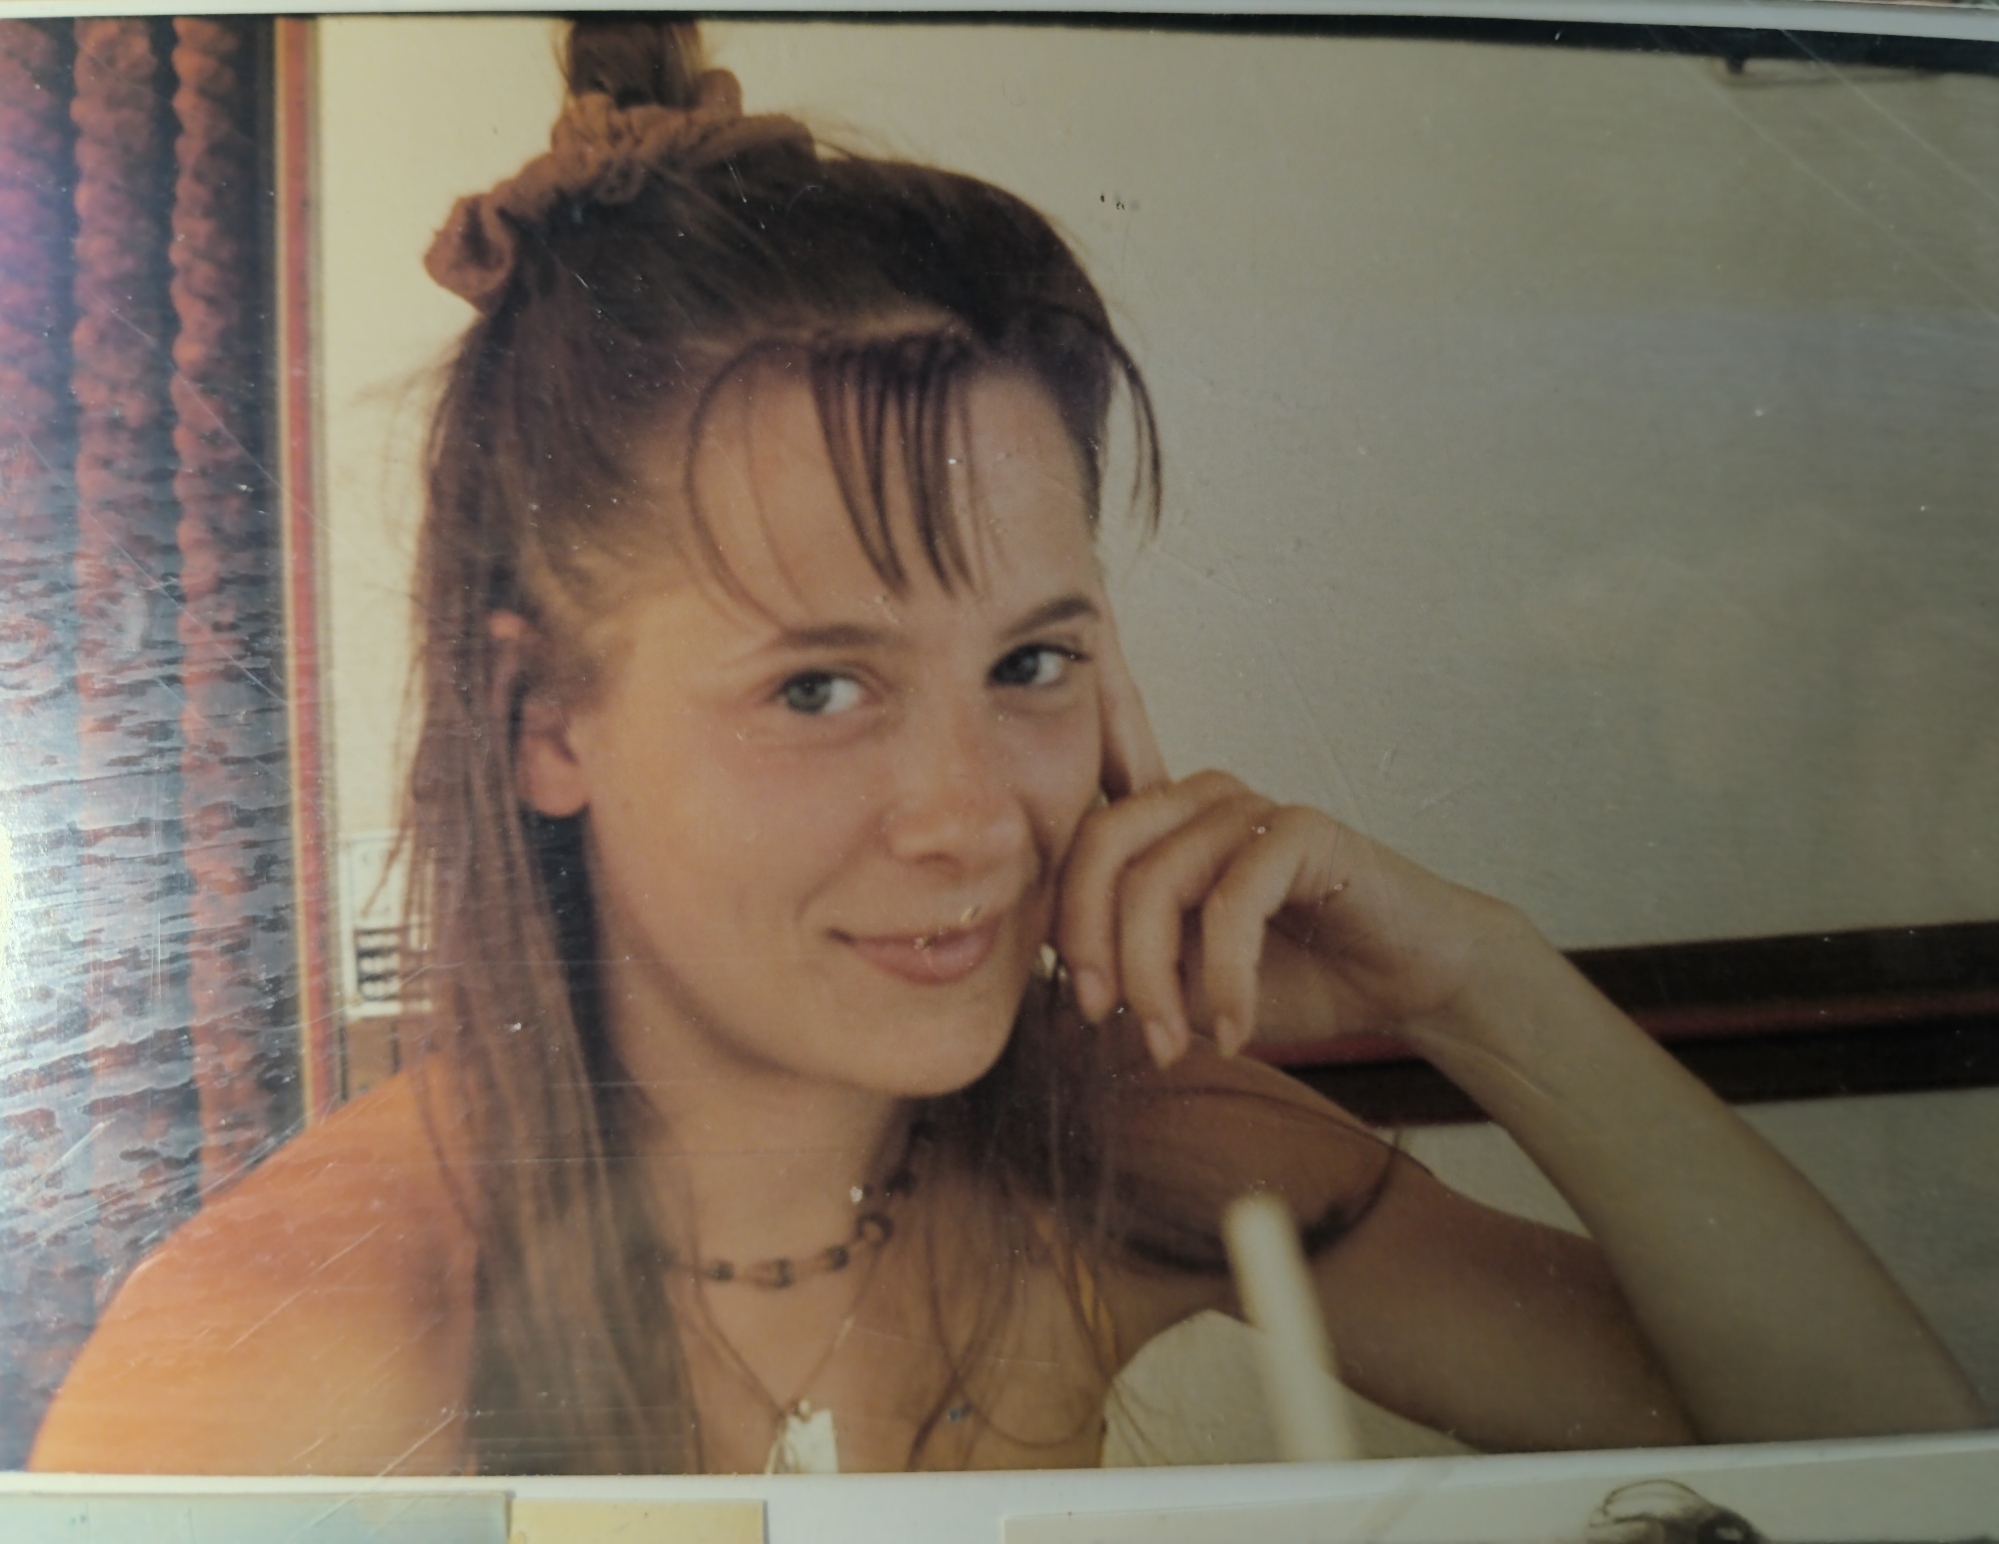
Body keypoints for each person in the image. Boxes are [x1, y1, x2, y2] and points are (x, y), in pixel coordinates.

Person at [29, 20, 1984, 1478]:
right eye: (820, 686)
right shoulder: (278, 1359)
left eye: (1032, 661)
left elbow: (1884, 1461)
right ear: (545, 719)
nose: (970, 817)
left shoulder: (1125, 1147)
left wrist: (1484, 984)